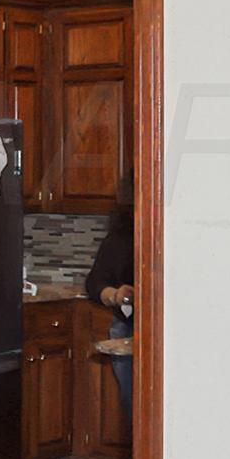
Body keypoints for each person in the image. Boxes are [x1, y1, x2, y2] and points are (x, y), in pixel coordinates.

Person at [84, 175, 136, 415]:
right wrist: (116, 295)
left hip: (161, 331)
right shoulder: (121, 237)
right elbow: (95, 282)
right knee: (134, 407)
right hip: (127, 328)